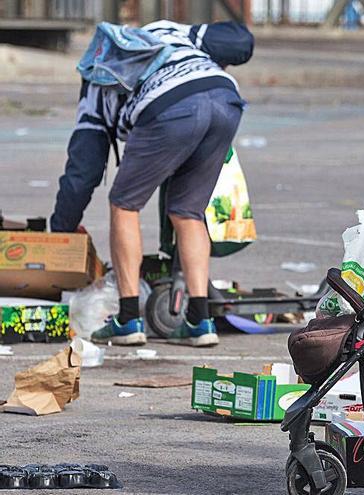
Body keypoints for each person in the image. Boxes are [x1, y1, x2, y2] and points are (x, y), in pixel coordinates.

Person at [51, 20, 254, 347]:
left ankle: (128, 319)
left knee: (124, 203)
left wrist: (60, 231)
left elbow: (82, 172)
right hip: (224, 95)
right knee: (188, 211)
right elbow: (233, 41)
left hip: (169, 105)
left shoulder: (96, 79)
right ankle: (200, 321)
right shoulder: (168, 30)